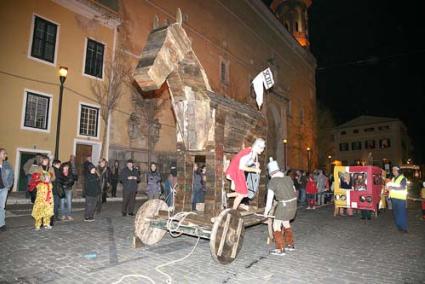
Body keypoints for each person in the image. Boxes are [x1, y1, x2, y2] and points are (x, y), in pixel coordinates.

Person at [264, 158, 297, 256]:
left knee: (276, 226)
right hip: (293, 204)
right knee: (286, 223)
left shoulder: (273, 182)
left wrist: (266, 212)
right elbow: (294, 190)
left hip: (284, 205)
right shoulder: (288, 178)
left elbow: (269, 201)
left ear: (271, 173)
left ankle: (280, 248)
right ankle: (290, 244)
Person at [226, 138, 265, 210]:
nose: (262, 150)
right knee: (243, 193)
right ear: (257, 146)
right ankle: (233, 211)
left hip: (237, 170)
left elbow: (247, 163)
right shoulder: (249, 152)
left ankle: (228, 195)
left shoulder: (253, 153)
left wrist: (254, 164)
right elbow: (242, 167)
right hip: (236, 171)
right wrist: (254, 169)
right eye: (262, 148)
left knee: (244, 192)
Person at [29, 155, 55, 230]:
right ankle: (38, 224)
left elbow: (54, 178)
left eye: (47, 160)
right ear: (41, 161)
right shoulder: (37, 168)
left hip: (49, 189)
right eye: (44, 160)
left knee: (48, 206)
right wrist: (42, 178)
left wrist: (50, 178)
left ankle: (47, 223)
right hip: (41, 189)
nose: (46, 161)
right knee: (39, 206)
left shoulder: (51, 168)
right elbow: (32, 174)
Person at [386, 165, 408, 233]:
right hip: (394, 198)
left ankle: (404, 228)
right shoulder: (393, 179)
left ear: (397, 170)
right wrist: (388, 188)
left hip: (401, 199)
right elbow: (391, 186)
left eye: (394, 170)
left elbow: (403, 187)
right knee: (396, 213)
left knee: (401, 213)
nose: (393, 172)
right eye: (392, 170)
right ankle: (399, 226)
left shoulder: (403, 178)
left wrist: (392, 188)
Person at [0, 148, 14, 232]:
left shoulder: (7, 164)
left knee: (2, 207)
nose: (6, 155)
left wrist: (9, 186)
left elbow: (11, 175)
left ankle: (1, 224)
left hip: (4, 188)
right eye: (4, 153)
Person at [51, 159, 63, 225]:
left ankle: (55, 216)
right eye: (59, 164)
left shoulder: (54, 170)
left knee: (55, 204)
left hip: (55, 189)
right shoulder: (55, 170)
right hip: (55, 189)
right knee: (55, 204)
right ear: (54, 164)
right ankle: (55, 217)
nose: (60, 165)